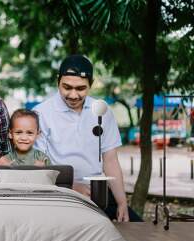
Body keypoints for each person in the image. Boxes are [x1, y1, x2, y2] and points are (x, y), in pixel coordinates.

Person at [33, 54, 141, 222]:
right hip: (58, 192)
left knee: (135, 229)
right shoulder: (41, 113)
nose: (73, 95)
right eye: (66, 87)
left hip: (97, 192)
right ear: (57, 82)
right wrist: (70, 187)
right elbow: (38, 166)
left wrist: (122, 203)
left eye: (80, 88)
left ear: (90, 85)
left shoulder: (103, 111)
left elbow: (110, 161)